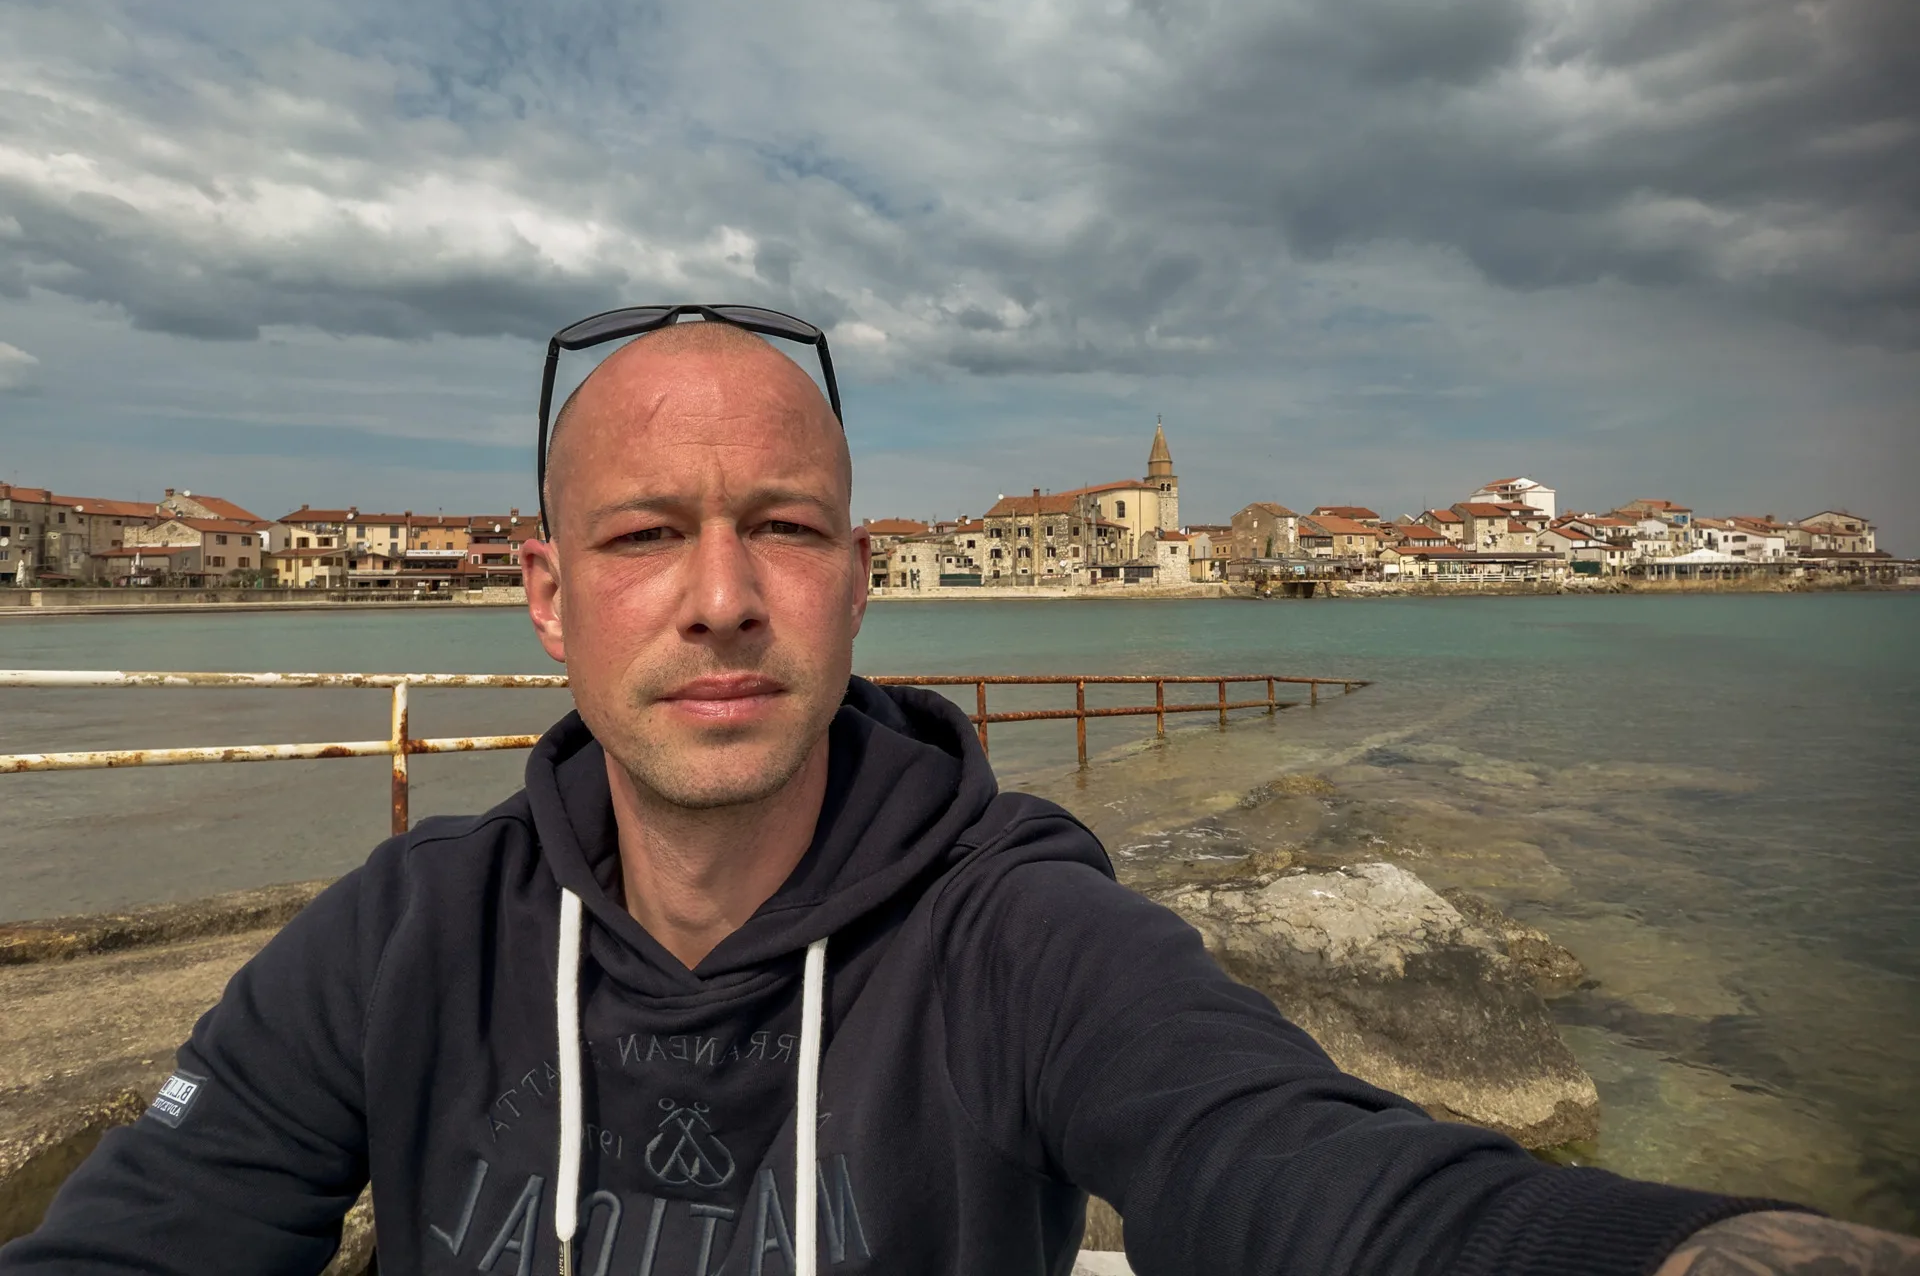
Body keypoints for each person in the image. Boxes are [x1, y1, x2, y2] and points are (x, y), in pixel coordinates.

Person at [5, 316, 1916, 1276]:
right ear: (547, 596)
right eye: (647, 535)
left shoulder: (1022, 938)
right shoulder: (399, 941)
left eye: (784, 528)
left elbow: (1300, 1165)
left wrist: (1670, 1250)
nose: (723, 597)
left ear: (862, 581)